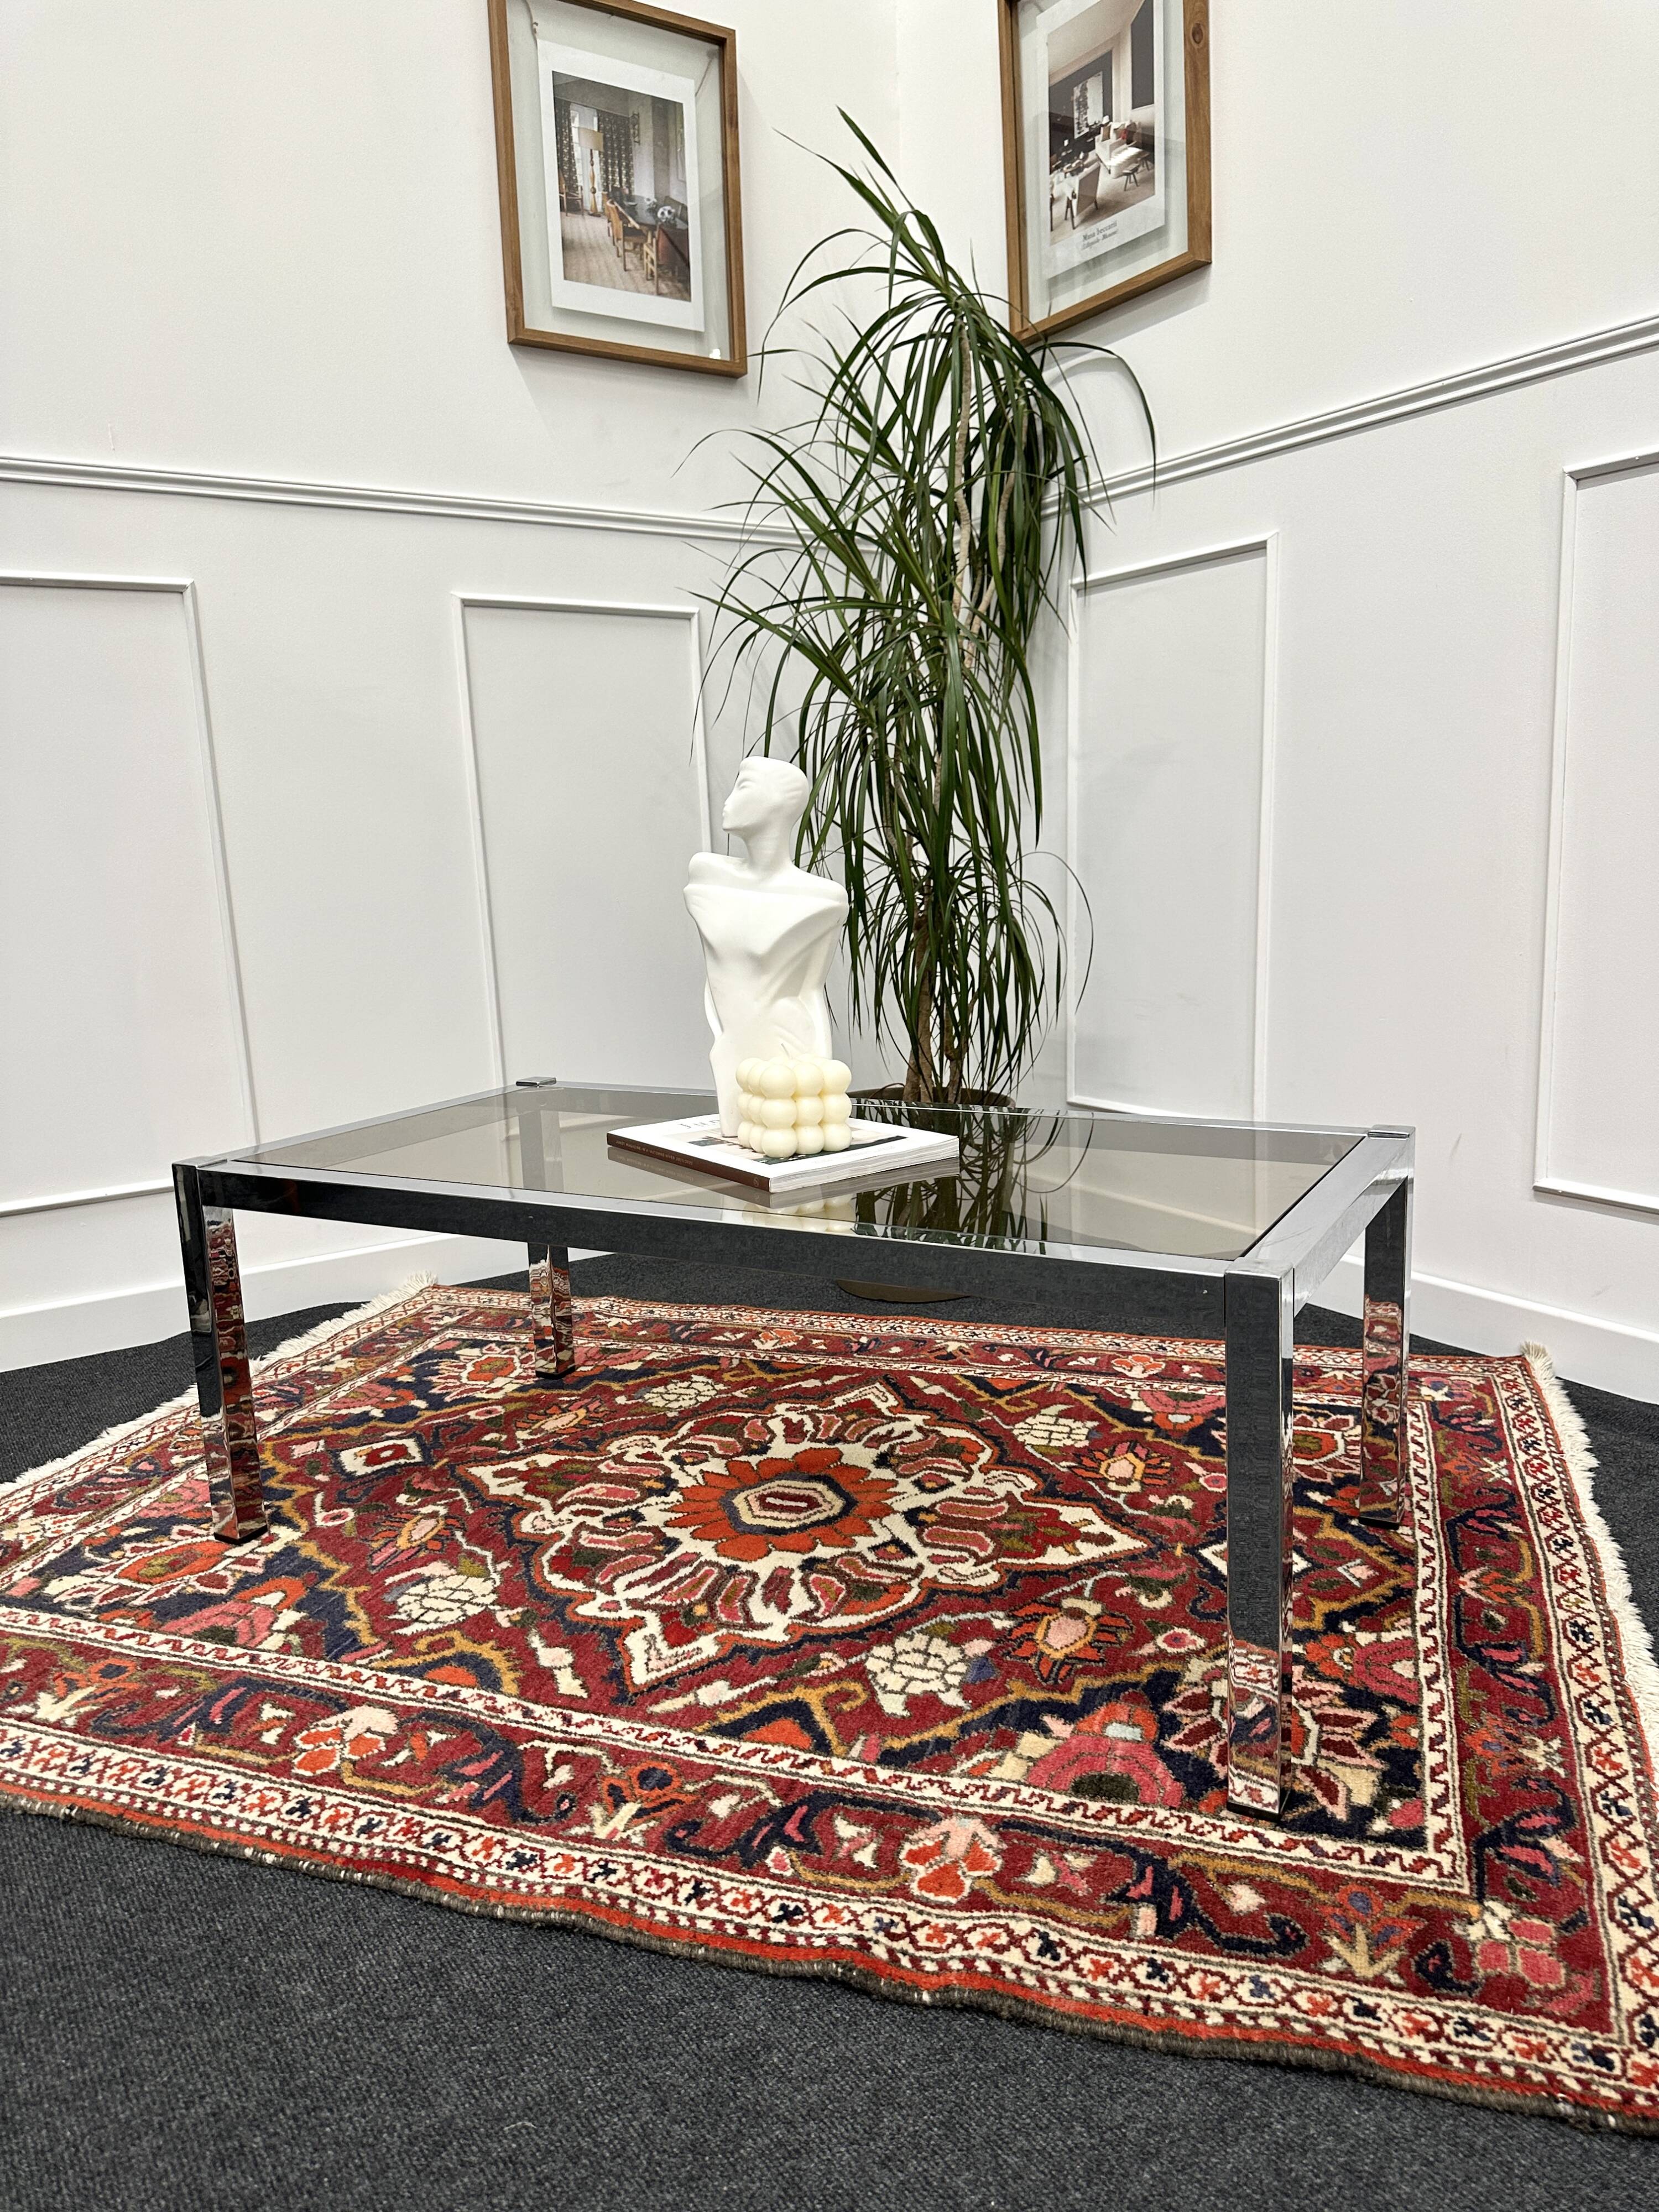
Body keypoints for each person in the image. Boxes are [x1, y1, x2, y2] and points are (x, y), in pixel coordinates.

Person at [684, 758, 848, 1136]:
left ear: (779, 803)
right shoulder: (708, 876)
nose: (728, 801)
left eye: (743, 787)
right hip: (730, 1051)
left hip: (784, 1054)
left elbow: (810, 990)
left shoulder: (822, 899)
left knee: (780, 1132)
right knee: (740, 1126)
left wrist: (819, 1089)